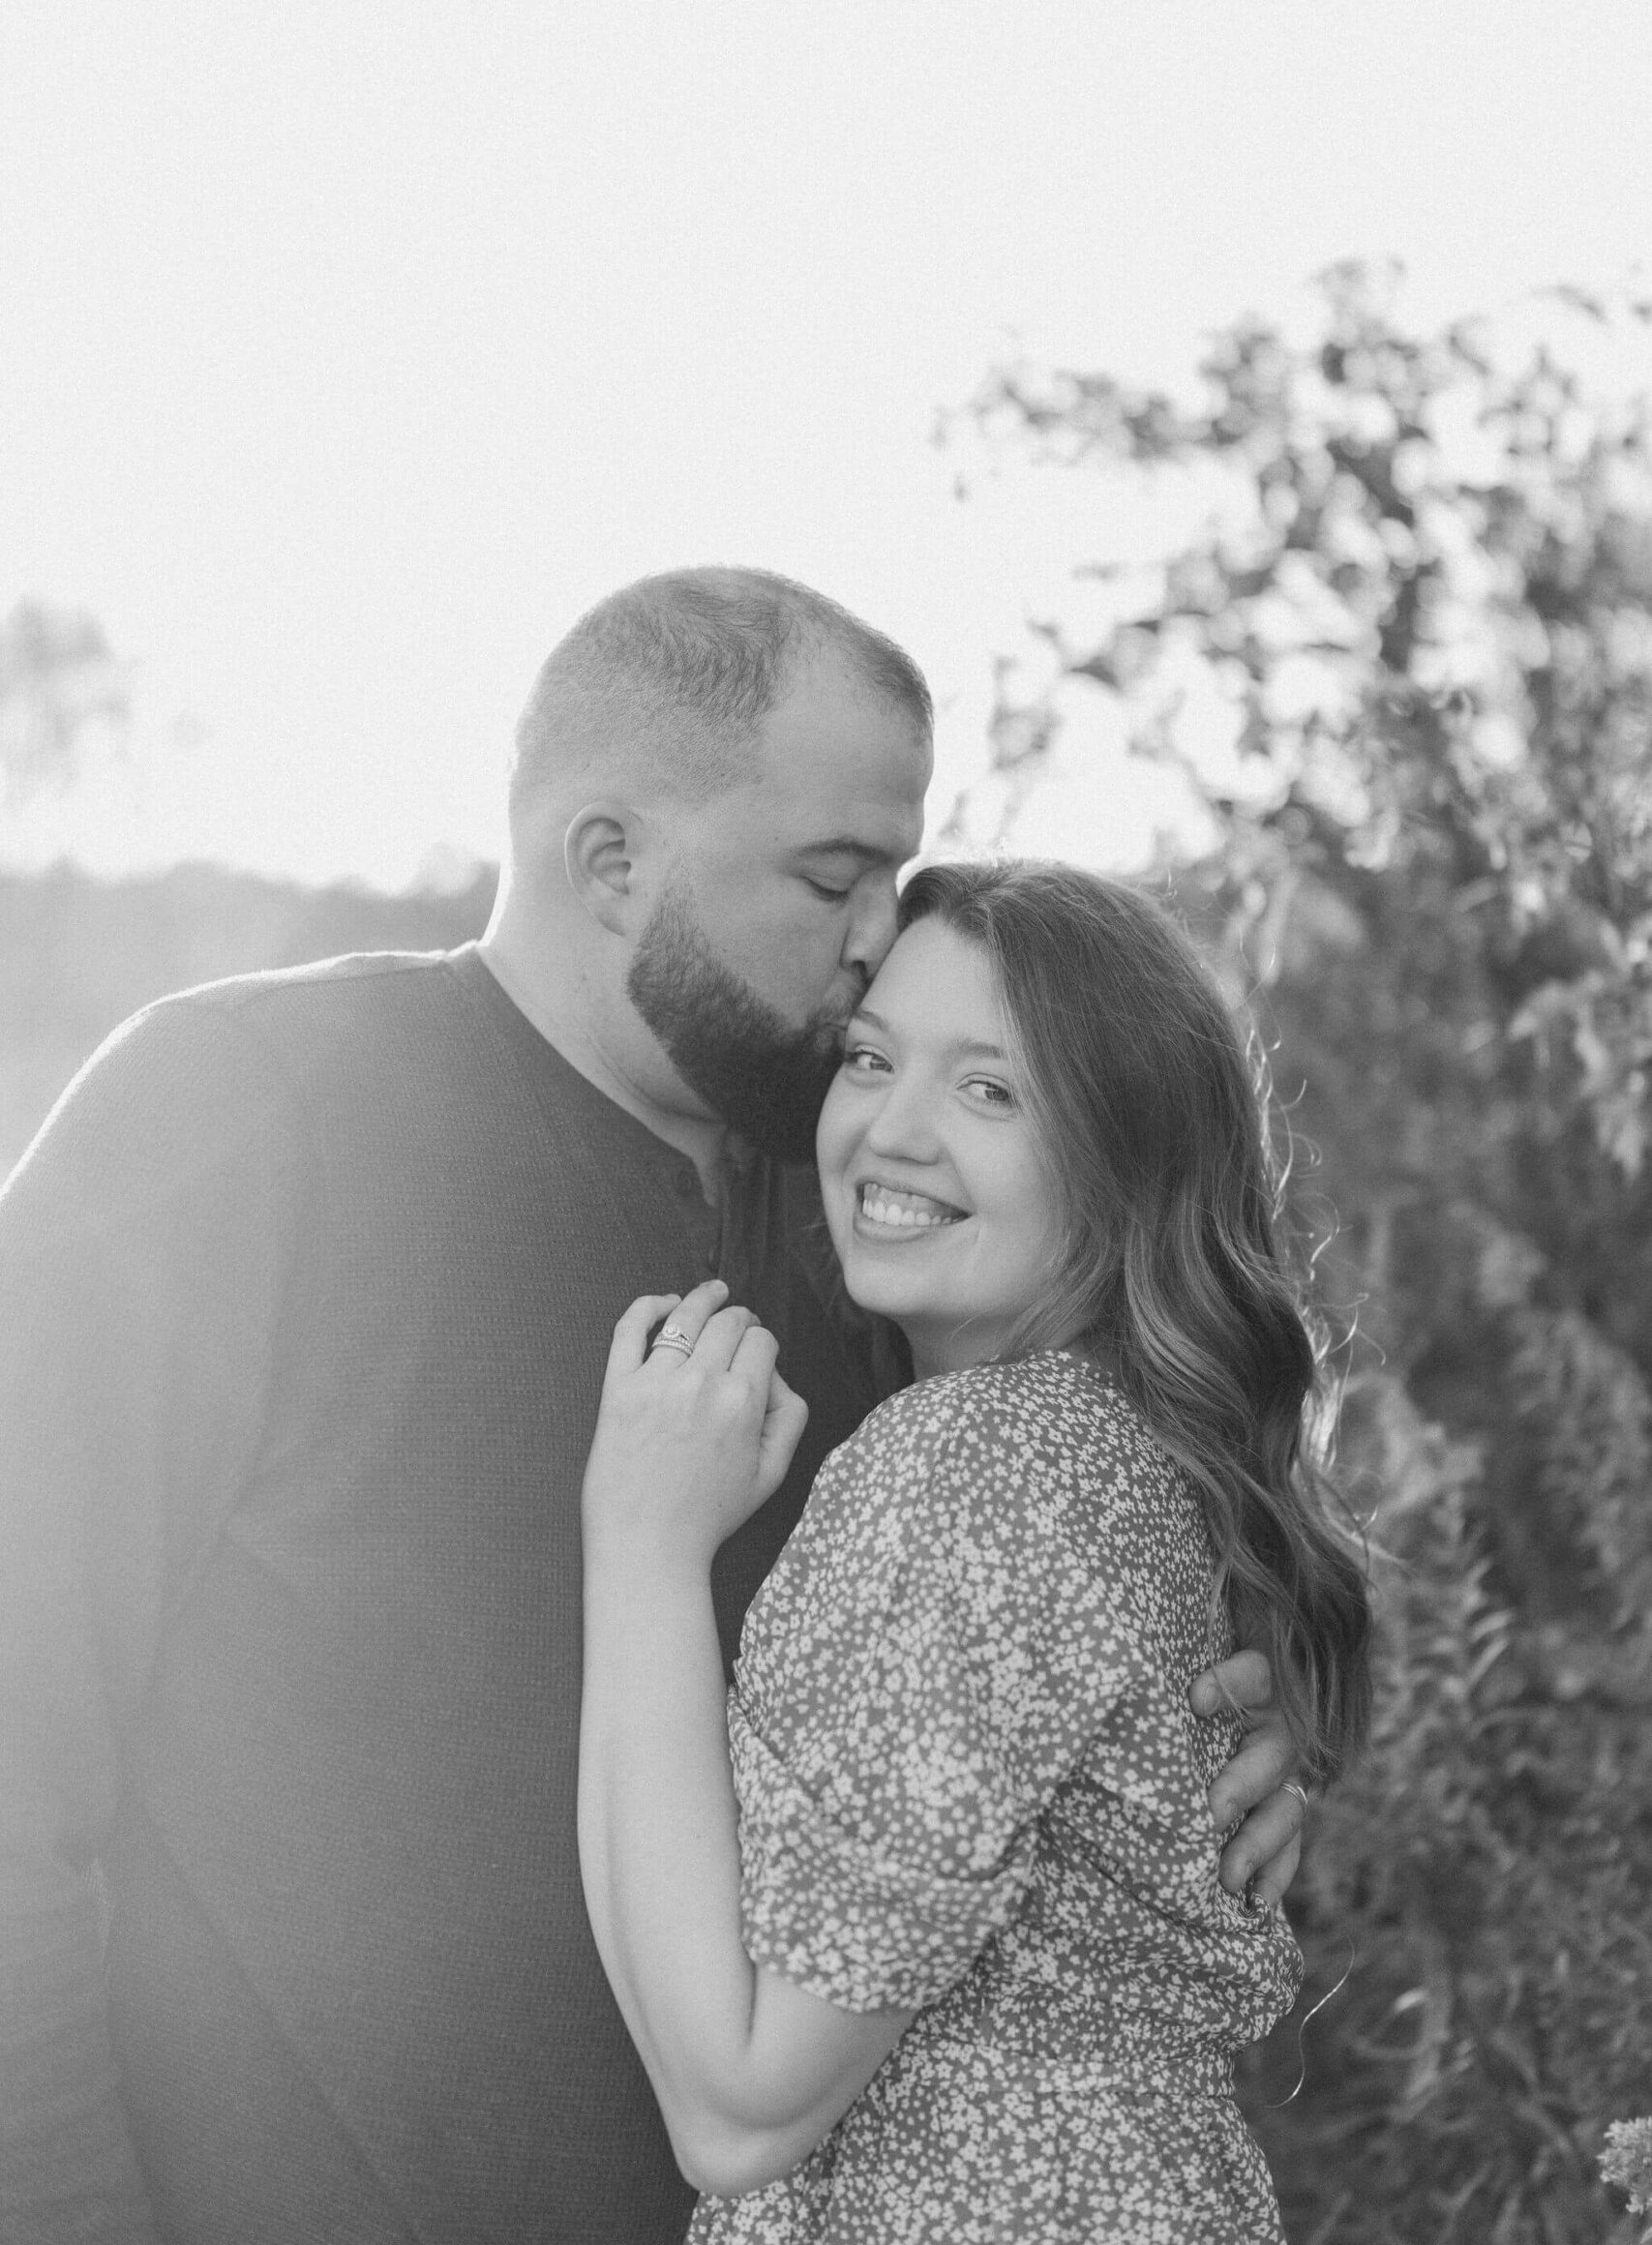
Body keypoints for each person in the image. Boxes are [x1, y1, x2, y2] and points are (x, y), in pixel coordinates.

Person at [0, 570, 1307, 2245]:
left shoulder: (881, 1234)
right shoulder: (240, 1114)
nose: (871, 941)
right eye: (831, 879)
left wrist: (1224, 1737)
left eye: (892, 879)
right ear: (612, 862)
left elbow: (1018, 1635)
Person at [580, 857, 1372, 2240]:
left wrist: (640, 1548)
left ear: (1127, 1161)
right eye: (870, 1058)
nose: (891, 1130)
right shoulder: (1125, 1453)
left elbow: (740, 2108)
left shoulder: (977, 1467)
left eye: (989, 1089)